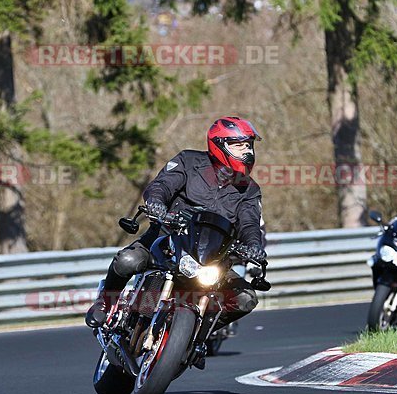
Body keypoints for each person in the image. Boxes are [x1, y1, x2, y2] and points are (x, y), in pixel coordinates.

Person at [85, 116, 267, 332]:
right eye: (238, 146)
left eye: (248, 146)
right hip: (166, 238)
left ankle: (197, 336)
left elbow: (250, 224)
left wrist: (254, 246)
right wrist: (156, 203)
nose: (246, 152)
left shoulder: (250, 190)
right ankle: (105, 303)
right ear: (219, 145)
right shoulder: (188, 162)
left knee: (245, 298)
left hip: (211, 258)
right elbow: (162, 186)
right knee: (128, 259)